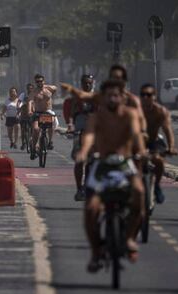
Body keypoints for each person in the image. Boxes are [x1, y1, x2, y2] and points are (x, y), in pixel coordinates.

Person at [75, 80, 146, 272]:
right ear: (103, 98)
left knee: (139, 193)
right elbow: (89, 136)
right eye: (109, 95)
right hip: (102, 164)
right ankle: (96, 252)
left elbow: (136, 135)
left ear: (122, 97)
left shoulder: (130, 115)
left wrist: (141, 151)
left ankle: (130, 237)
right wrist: (84, 151)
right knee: (91, 209)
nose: (113, 98)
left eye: (117, 95)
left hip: (124, 164)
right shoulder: (96, 118)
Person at [140, 83, 178, 203]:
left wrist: (171, 147)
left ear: (154, 96)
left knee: (159, 160)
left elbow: (168, 130)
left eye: (149, 95)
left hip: (154, 140)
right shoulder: (135, 111)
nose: (146, 97)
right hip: (137, 142)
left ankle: (156, 186)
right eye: (143, 95)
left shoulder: (160, 111)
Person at [63, 75, 96, 201]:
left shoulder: (96, 97)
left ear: (92, 83)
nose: (87, 85)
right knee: (79, 160)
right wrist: (70, 125)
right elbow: (71, 114)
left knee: (93, 161)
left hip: (93, 132)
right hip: (80, 130)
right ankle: (79, 188)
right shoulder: (77, 98)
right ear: (81, 84)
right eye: (85, 83)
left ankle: (88, 185)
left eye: (89, 83)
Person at [28, 74, 57, 159]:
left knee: (51, 124)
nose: (39, 83)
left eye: (41, 81)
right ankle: (33, 148)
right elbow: (30, 101)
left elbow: (55, 88)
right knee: (36, 129)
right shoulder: (34, 92)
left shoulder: (48, 89)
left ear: (44, 81)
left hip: (47, 112)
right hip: (38, 113)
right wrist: (29, 111)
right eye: (37, 81)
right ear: (35, 82)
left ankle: (50, 141)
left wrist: (45, 86)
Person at [19, 83, 34, 150]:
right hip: (24, 113)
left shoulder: (35, 95)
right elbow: (19, 102)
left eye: (31, 88)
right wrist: (19, 107)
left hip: (32, 113)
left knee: (33, 128)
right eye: (28, 88)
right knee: (23, 129)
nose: (29, 89)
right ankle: (23, 143)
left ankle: (33, 141)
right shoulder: (23, 95)